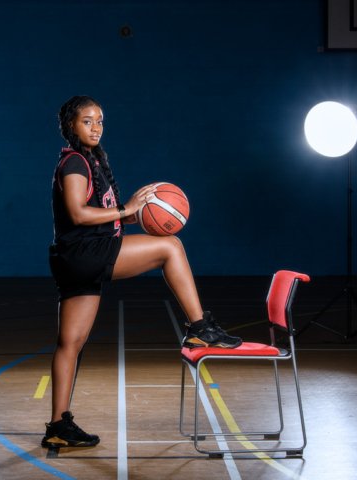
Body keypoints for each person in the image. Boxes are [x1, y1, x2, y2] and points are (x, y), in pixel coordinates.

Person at [43, 95, 241, 449]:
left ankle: (58, 424)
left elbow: (99, 213)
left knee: (70, 343)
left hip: (73, 258)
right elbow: (77, 214)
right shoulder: (74, 163)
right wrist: (125, 208)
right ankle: (200, 328)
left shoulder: (92, 160)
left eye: (100, 120)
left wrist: (133, 216)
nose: (96, 127)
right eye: (87, 121)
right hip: (84, 253)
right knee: (171, 248)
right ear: (70, 126)